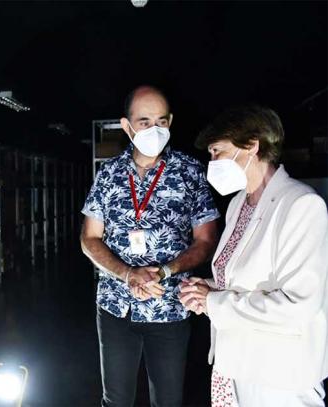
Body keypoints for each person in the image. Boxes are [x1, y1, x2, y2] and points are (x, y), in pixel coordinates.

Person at [179, 104, 328, 407]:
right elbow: (240, 278)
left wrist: (213, 301)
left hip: (277, 376)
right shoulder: (238, 205)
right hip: (234, 366)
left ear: (251, 146)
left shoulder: (300, 205)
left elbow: (297, 306)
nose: (212, 161)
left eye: (217, 151)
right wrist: (205, 289)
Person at [80, 85, 220, 407]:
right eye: (144, 121)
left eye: (161, 121)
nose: (154, 129)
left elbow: (206, 240)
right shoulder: (109, 174)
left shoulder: (190, 172)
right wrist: (128, 274)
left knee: (169, 400)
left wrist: (165, 271)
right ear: (127, 126)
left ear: (170, 122)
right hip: (116, 306)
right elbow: (89, 238)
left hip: (169, 308)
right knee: (114, 400)